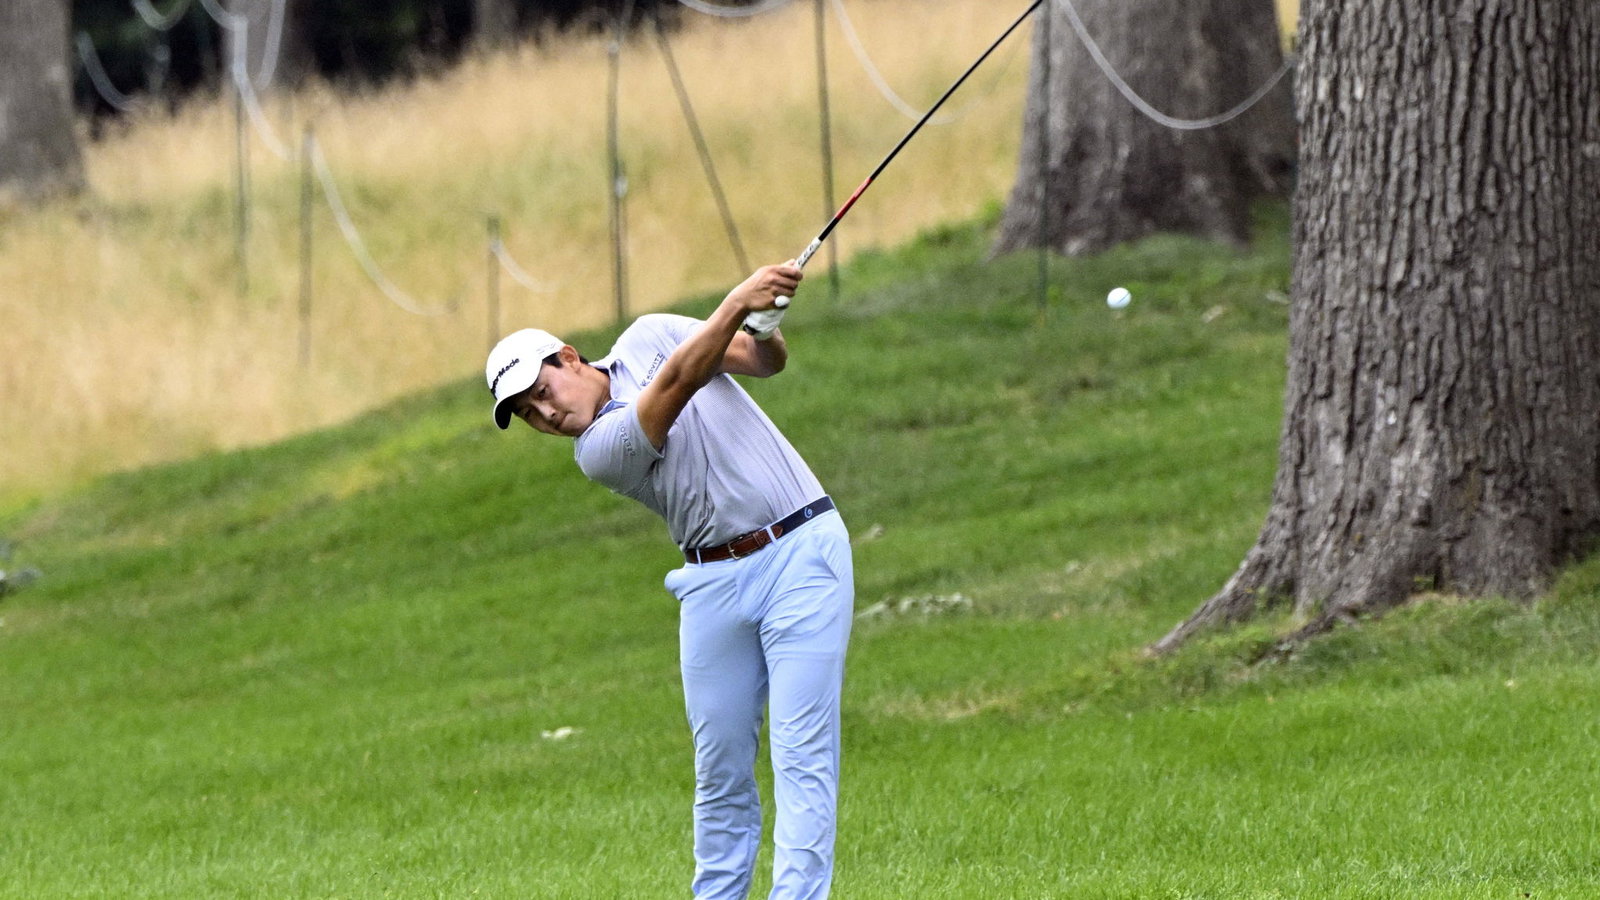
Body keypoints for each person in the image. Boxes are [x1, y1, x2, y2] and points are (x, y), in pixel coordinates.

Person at [485, 262, 853, 900]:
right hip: (711, 586)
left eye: (541, 391)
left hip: (802, 553)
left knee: (801, 755)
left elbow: (763, 362)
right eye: (526, 414)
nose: (545, 414)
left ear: (568, 358)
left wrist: (762, 322)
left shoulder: (650, 333)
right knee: (720, 773)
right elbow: (681, 380)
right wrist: (738, 298)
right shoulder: (597, 451)